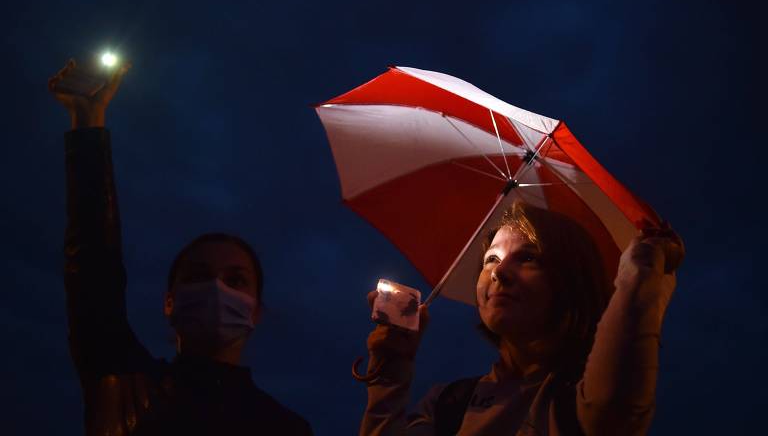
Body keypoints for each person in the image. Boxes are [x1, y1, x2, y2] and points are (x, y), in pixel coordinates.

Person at [49, 59, 313, 435]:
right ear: (169, 302)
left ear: (257, 312)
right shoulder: (121, 380)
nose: (216, 288)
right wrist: (88, 120)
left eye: (235, 280)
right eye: (199, 276)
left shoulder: (287, 429)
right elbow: (93, 269)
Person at [358, 201, 684, 435]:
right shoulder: (448, 402)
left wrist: (643, 272)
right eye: (491, 258)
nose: (498, 271)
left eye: (527, 257)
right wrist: (390, 373)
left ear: (571, 282)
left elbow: (611, 407)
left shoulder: (577, 401)